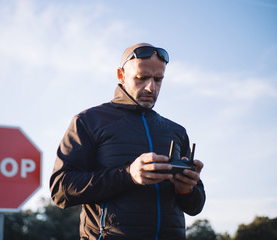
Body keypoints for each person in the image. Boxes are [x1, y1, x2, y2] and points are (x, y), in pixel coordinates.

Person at [50, 43, 206, 240]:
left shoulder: (176, 131)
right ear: (121, 75)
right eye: (141, 78)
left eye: (158, 79)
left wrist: (186, 189)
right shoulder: (89, 121)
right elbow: (60, 190)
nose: (151, 87)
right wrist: (128, 175)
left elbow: (195, 207)